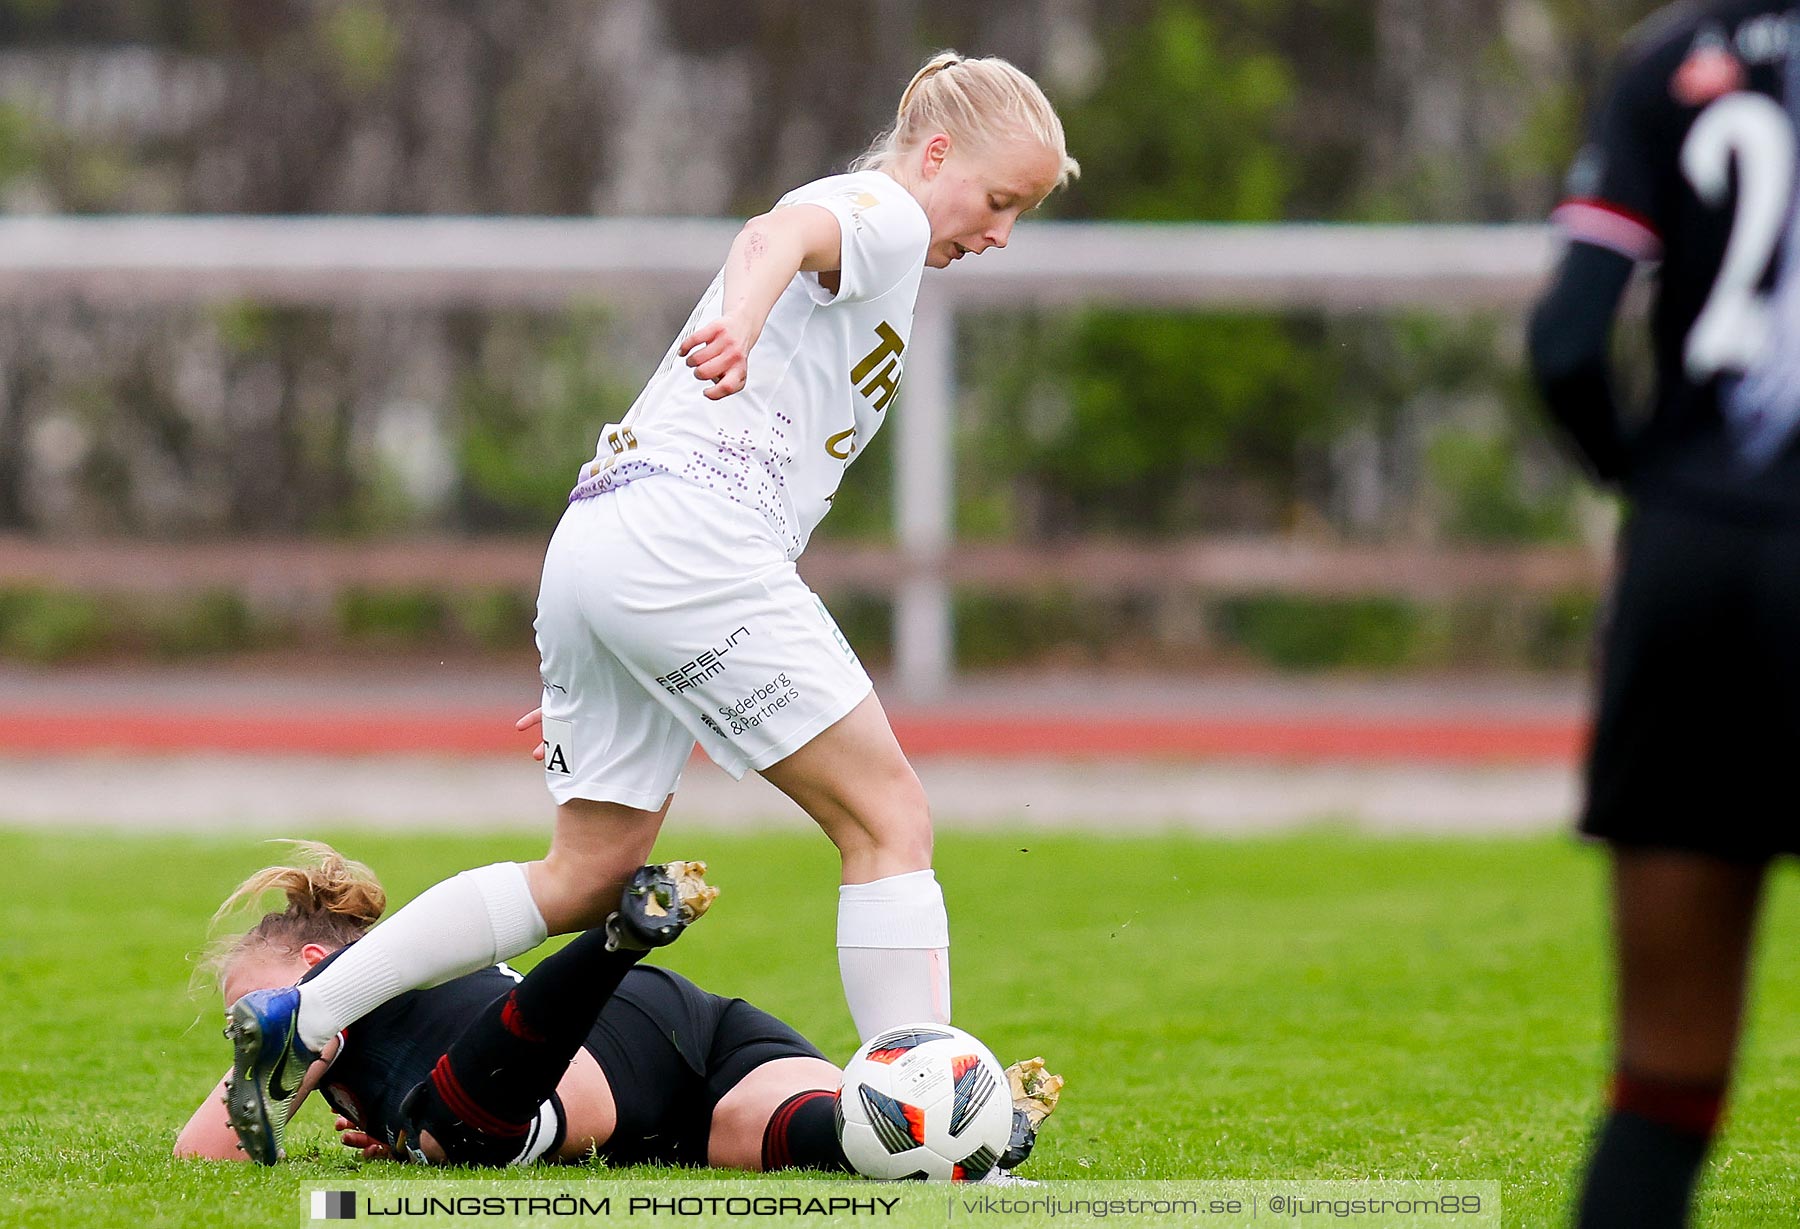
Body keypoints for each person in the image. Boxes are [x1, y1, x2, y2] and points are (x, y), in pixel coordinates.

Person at [222, 49, 1078, 1166]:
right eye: (1001, 198)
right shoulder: (890, 213)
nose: (1001, 231)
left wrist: (636, 652)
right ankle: (929, 1127)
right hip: (689, 540)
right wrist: (738, 314)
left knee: (584, 875)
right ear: (933, 154)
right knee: (888, 820)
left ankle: (310, 1013)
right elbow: (777, 234)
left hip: (604, 542)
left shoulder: (891, 242)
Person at [1527, 4, 1800, 1226]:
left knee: (1665, 1082)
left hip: (1696, 561)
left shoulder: (1671, 59)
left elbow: (1568, 344)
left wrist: (1659, 486)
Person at [189, 843, 1059, 1176]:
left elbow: (203, 1153)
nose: (247, 1036)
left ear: (314, 963)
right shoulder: (428, 964)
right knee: (820, 1136)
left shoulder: (336, 1008)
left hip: (574, 1063)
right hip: (694, 1042)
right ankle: (970, 1139)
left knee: (449, 1139)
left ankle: (617, 937)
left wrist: (282, 1036)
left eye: (247, 1007)